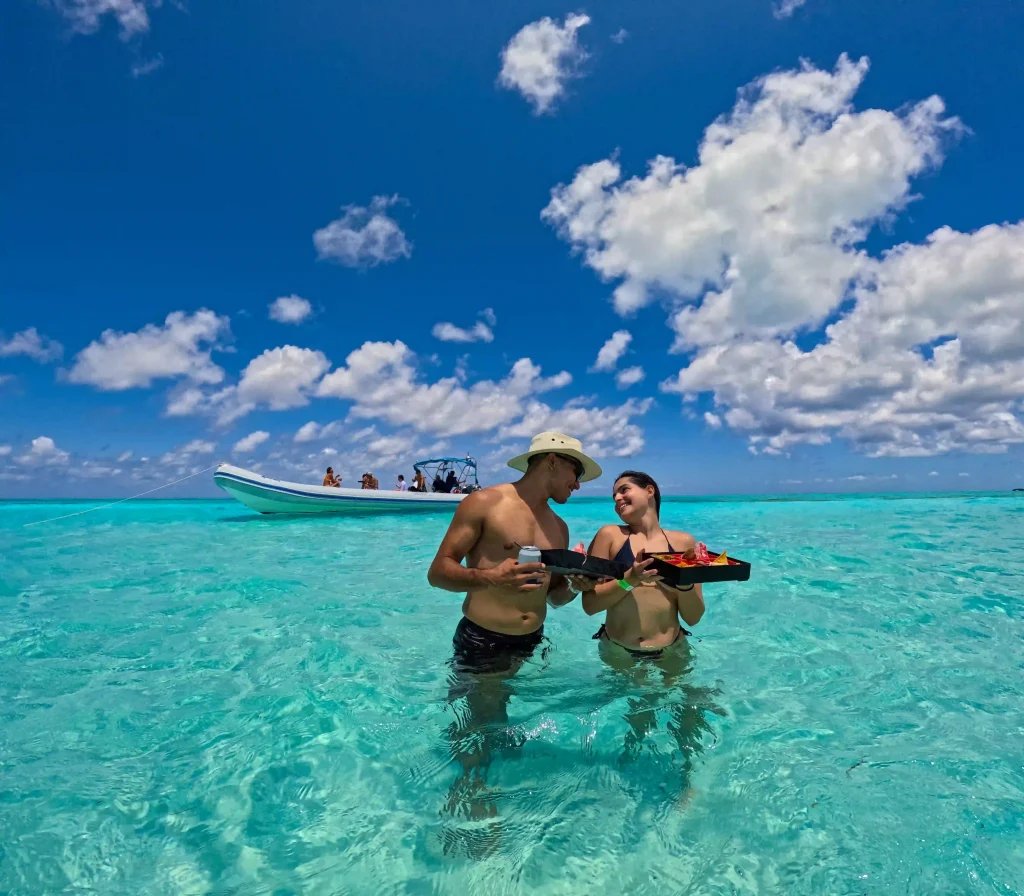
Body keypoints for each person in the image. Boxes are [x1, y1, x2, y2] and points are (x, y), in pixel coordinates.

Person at [427, 432, 602, 849]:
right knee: (479, 721)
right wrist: (489, 576)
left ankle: (479, 774)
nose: (577, 486)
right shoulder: (485, 503)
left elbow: (554, 597)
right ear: (554, 461)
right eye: (576, 474)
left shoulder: (558, 527)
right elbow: (438, 572)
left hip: (528, 642)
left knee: (493, 714)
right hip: (484, 638)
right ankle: (469, 802)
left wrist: (576, 585)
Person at [568, 471, 717, 797]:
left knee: (688, 717)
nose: (617, 499)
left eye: (624, 490)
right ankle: (629, 780)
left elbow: (694, 616)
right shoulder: (610, 537)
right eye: (613, 496)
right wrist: (628, 580)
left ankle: (686, 780)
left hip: (673, 650)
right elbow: (590, 605)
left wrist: (687, 579)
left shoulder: (682, 544)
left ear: (650, 491)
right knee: (639, 717)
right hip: (620, 652)